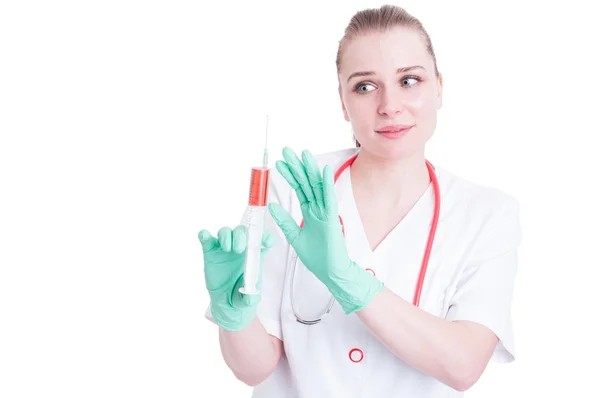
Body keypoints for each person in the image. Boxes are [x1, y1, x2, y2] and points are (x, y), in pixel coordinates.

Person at [199, 4, 521, 397]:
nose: (389, 105)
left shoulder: (486, 215)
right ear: (342, 101)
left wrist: (346, 279)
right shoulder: (293, 190)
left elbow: (463, 365)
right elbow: (254, 368)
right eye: (365, 86)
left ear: (439, 87)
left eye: (409, 80)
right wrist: (234, 318)